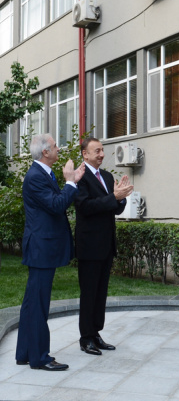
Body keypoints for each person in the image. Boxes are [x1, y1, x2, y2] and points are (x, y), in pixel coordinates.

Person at [15, 134, 85, 371]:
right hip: (41, 248)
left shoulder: (43, 173)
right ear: (45, 152)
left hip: (43, 247)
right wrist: (71, 182)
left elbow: (54, 201)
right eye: (55, 146)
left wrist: (71, 181)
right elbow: (57, 205)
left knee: (32, 303)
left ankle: (25, 352)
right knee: (38, 305)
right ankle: (40, 358)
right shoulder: (36, 176)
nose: (58, 149)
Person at [74, 137, 133, 355]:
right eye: (96, 151)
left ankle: (96, 333)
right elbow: (85, 207)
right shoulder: (80, 178)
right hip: (89, 246)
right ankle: (85, 338)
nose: (101, 154)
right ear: (85, 154)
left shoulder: (107, 176)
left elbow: (115, 209)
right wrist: (113, 197)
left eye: (102, 150)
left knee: (101, 294)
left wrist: (121, 197)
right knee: (89, 293)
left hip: (106, 246)